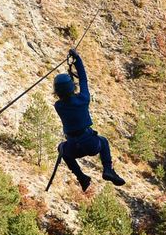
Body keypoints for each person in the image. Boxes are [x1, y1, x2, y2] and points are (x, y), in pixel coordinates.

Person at [53, 49, 125, 191]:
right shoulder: (83, 98)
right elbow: (83, 79)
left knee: (62, 149)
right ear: (72, 87)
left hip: (73, 146)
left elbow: (65, 97)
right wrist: (77, 59)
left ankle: (81, 177)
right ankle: (107, 169)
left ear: (57, 92)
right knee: (103, 141)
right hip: (90, 143)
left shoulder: (58, 106)